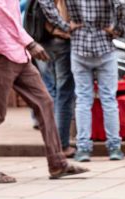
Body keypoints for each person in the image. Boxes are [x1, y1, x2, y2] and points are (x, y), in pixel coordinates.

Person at [0, 0, 88, 183]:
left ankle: (57, 162)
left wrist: (24, 45)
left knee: (44, 102)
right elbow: (0, 12)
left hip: (18, 52)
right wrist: (30, 42)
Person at [59, 0, 125, 163]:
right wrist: (116, 29)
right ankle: (114, 147)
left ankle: (83, 148)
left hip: (79, 47)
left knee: (82, 100)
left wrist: (63, 26)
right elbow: (121, 4)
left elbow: (46, 4)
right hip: (104, 46)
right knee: (109, 99)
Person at [34, 0, 76, 158]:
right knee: (63, 93)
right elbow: (47, 6)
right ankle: (60, 145)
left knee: (49, 92)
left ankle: (53, 143)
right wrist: (65, 27)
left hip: (41, 40)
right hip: (58, 41)